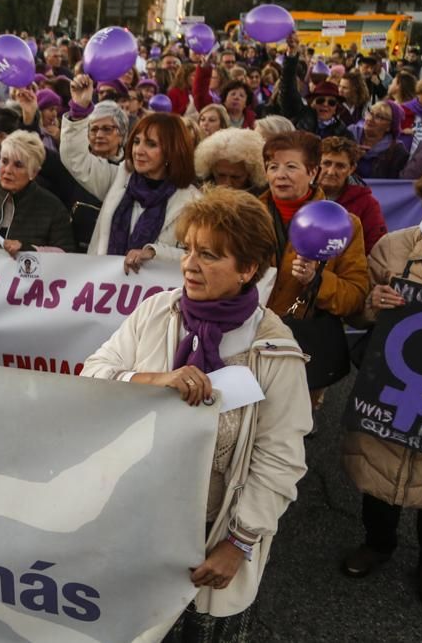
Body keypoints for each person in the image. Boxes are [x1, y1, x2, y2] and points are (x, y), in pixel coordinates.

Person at [82, 188, 310, 638]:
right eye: (188, 249)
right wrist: (152, 380)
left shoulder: (274, 351)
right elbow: (93, 374)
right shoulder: (157, 311)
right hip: (138, 512)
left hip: (212, 529)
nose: (189, 264)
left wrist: (239, 543)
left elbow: (279, 459)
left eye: (209, 255)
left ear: (248, 269)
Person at [340, 170, 422, 606]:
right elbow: (355, 307)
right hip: (390, 384)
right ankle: (378, 543)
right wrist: (372, 304)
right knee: (379, 463)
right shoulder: (392, 246)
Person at [259, 132, 368, 401]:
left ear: (312, 172)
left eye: (291, 166)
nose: (280, 175)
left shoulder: (344, 225)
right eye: (273, 166)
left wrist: (317, 280)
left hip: (301, 349)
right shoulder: (245, 215)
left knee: (290, 424)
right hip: (246, 340)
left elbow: (354, 296)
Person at [61, 75, 201, 264]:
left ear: (172, 151)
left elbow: (197, 255)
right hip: (104, 280)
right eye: (136, 141)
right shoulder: (119, 178)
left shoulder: (192, 202)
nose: (139, 151)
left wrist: (155, 253)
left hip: (156, 283)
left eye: (151, 144)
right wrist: (79, 109)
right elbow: (75, 158)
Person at [318, 137, 388, 251]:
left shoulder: (367, 204)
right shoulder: (299, 194)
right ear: (316, 164)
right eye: (326, 163)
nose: (331, 172)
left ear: (351, 169)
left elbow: (376, 249)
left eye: (340, 166)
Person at [194, 128, 268, 195]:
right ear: (212, 170)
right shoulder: (198, 193)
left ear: (251, 174)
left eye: (235, 177)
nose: (227, 184)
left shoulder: (264, 197)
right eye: (221, 175)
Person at [349, 101, 410, 179]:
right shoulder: (349, 134)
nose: (370, 119)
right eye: (370, 113)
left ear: (389, 127)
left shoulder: (397, 151)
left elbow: (393, 183)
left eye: (379, 117)